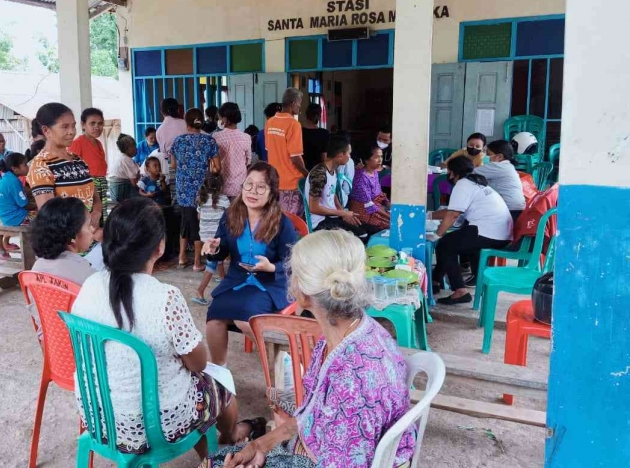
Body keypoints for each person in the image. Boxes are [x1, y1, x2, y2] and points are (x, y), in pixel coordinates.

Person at [204, 230, 416, 468]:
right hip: (320, 451)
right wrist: (260, 446)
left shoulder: (352, 379)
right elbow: (311, 413)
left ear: (302, 291)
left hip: (330, 461)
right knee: (217, 461)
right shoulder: (350, 331)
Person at [71, 198, 253, 459]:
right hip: (157, 427)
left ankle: (216, 441)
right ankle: (230, 437)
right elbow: (198, 363)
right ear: (160, 247)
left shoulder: (90, 285)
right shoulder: (165, 297)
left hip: (98, 416)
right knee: (220, 386)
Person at [202, 162, 297, 365]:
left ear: (272, 193)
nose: (253, 191)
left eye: (261, 186)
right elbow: (222, 248)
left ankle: (280, 368)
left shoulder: (281, 223)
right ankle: (220, 374)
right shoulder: (231, 216)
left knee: (246, 319)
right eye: (248, 184)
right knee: (214, 315)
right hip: (237, 281)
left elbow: (293, 262)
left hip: (269, 284)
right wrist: (214, 249)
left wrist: (272, 267)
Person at [432, 156, 513, 305]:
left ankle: (460, 291)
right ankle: (435, 280)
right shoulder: (476, 183)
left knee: (445, 244)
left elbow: (453, 214)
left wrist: (437, 235)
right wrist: (430, 215)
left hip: (489, 232)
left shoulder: (463, 184)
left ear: (452, 172)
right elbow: (454, 212)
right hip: (500, 233)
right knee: (451, 242)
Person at [26, 102, 102, 232]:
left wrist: (96, 212)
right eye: (65, 127)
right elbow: (50, 217)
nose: (71, 132)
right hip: (68, 242)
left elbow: (94, 197)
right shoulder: (41, 166)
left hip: (89, 237)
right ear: (46, 130)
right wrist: (82, 232)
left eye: (73, 126)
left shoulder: (78, 161)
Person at [170, 108, 221, 271]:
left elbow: (173, 165)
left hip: (183, 189)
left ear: (187, 123)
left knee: (186, 221)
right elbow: (217, 167)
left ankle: (182, 257)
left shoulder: (178, 141)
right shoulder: (209, 141)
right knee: (199, 224)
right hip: (202, 190)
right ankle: (198, 263)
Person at [305, 135, 377, 243]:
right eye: (349, 153)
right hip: (320, 222)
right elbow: (313, 208)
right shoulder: (319, 174)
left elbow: (332, 193)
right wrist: (342, 214)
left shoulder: (333, 170)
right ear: (340, 155)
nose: (349, 157)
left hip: (333, 217)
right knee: (362, 236)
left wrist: (342, 212)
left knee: (373, 231)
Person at [30, 197, 96, 284]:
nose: (93, 229)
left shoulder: (37, 266)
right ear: (73, 235)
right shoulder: (83, 271)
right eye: (89, 225)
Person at [266, 89, 308, 216]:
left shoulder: (270, 122)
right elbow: (295, 157)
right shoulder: (293, 124)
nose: (299, 107)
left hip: (274, 181)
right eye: (299, 104)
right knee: (291, 223)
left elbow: (269, 150)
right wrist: (307, 174)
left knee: (276, 220)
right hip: (291, 183)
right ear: (294, 103)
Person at [193, 172, 230, 306]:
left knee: (217, 258)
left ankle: (222, 278)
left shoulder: (201, 199)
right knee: (211, 265)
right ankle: (200, 292)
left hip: (204, 236)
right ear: (221, 186)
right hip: (216, 239)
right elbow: (229, 217)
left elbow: (198, 217)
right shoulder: (224, 200)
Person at [69, 108, 109, 224]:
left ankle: (98, 242)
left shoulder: (99, 143)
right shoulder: (78, 143)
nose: (97, 127)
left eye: (100, 123)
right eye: (92, 123)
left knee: (100, 219)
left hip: (101, 183)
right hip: (87, 187)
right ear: (83, 124)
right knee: (89, 221)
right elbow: (72, 170)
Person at [476, 139, 526, 220]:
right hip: (516, 208)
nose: (486, 156)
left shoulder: (498, 166)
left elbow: (470, 173)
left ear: (499, 157)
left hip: (509, 209)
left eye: (488, 154)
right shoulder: (508, 166)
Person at [214, 102, 252, 200]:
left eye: (220, 117)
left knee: (224, 214)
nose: (219, 120)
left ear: (225, 119)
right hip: (240, 185)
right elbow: (248, 161)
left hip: (222, 185)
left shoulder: (216, 137)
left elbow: (213, 161)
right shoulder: (246, 137)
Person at [349, 145, 391, 231]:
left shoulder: (374, 171)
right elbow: (369, 205)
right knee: (392, 225)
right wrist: (391, 217)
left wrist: (389, 205)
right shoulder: (361, 178)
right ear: (367, 160)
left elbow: (379, 193)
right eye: (376, 157)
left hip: (375, 208)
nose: (380, 160)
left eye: (381, 156)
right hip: (364, 212)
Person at [0, 153, 34, 237]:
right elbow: (25, 205)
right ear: (14, 168)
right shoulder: (14, 181)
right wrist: (40, 204)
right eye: (25, 165)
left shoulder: (6, 177)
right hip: (15, 218)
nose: (28, 167)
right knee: (46, 217)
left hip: (4, 216)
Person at [108, 133, 140, 204]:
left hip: (115, 192)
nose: (136, 148)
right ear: (128, 148)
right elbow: (134, 183)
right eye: (134, 146)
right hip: (122, 191)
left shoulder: (121, 157)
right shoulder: (127, 160)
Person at [301, 103, 330, 171]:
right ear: (319, 116)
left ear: (306, 115)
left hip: (300, 170)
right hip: (317, 172)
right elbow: (324, 158)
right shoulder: (324, 133)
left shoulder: (299, 132)